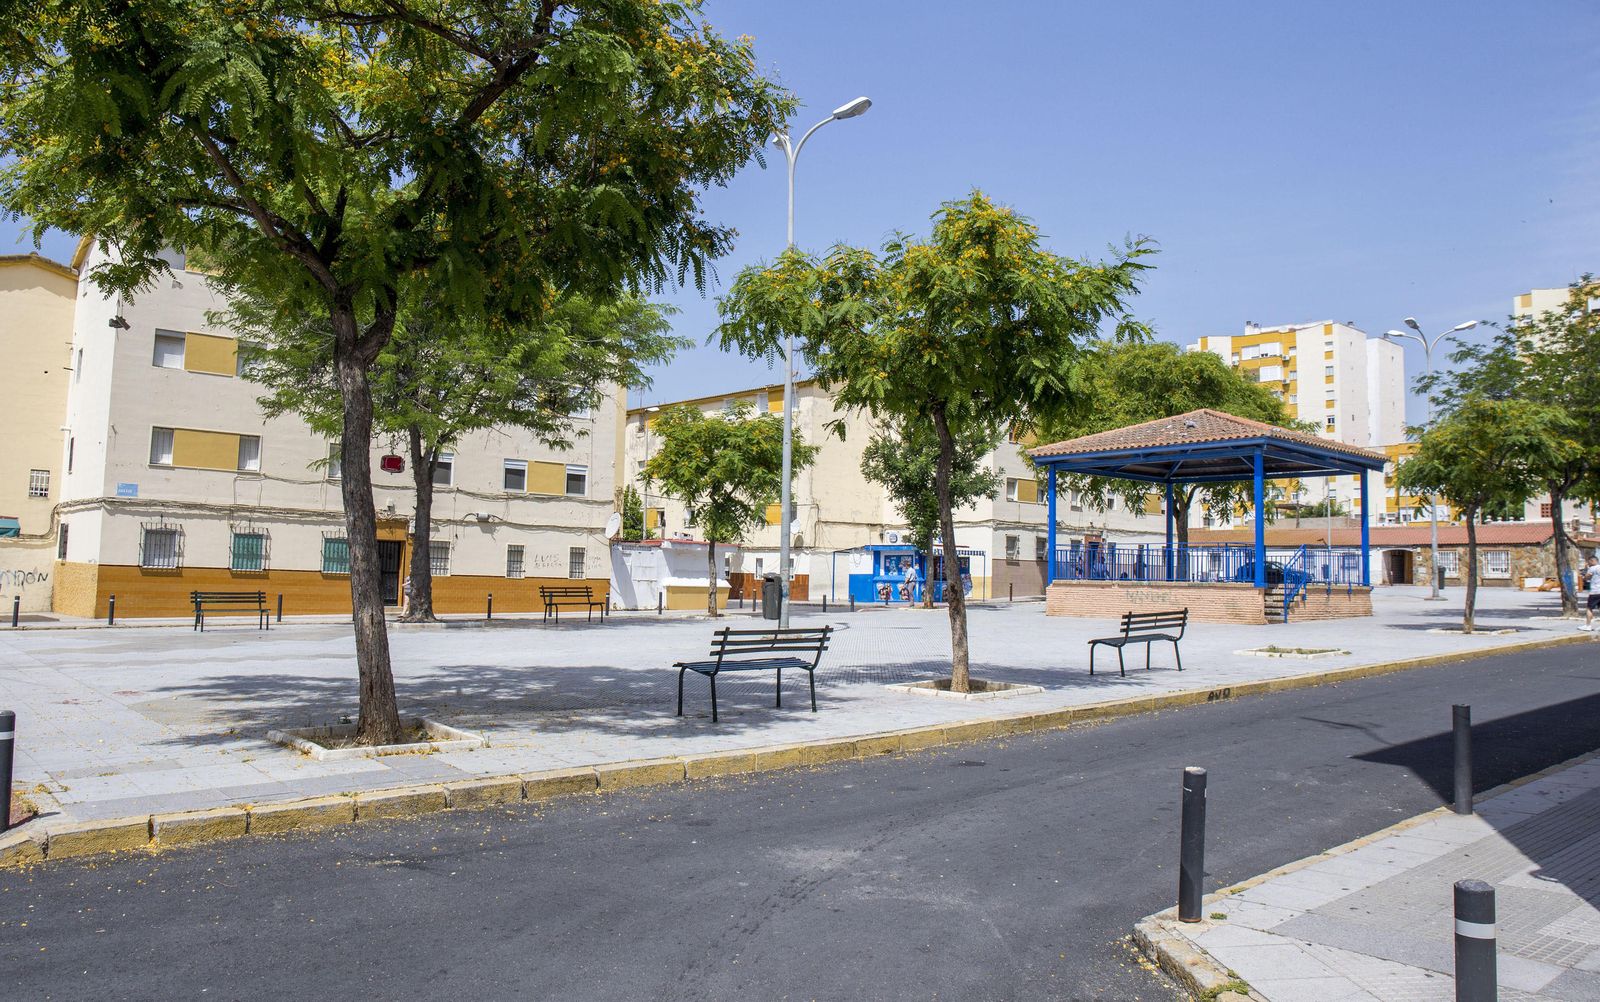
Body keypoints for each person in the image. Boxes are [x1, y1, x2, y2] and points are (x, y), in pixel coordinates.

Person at [1582, 553, 1600, 632]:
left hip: (1595, 591)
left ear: (1592, 561)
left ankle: (1588, 626)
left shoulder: (1592, 568)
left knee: (1589, 608)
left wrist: (1584, 575)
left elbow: (1586, 577)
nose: (1588, 563)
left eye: (1589, 561)